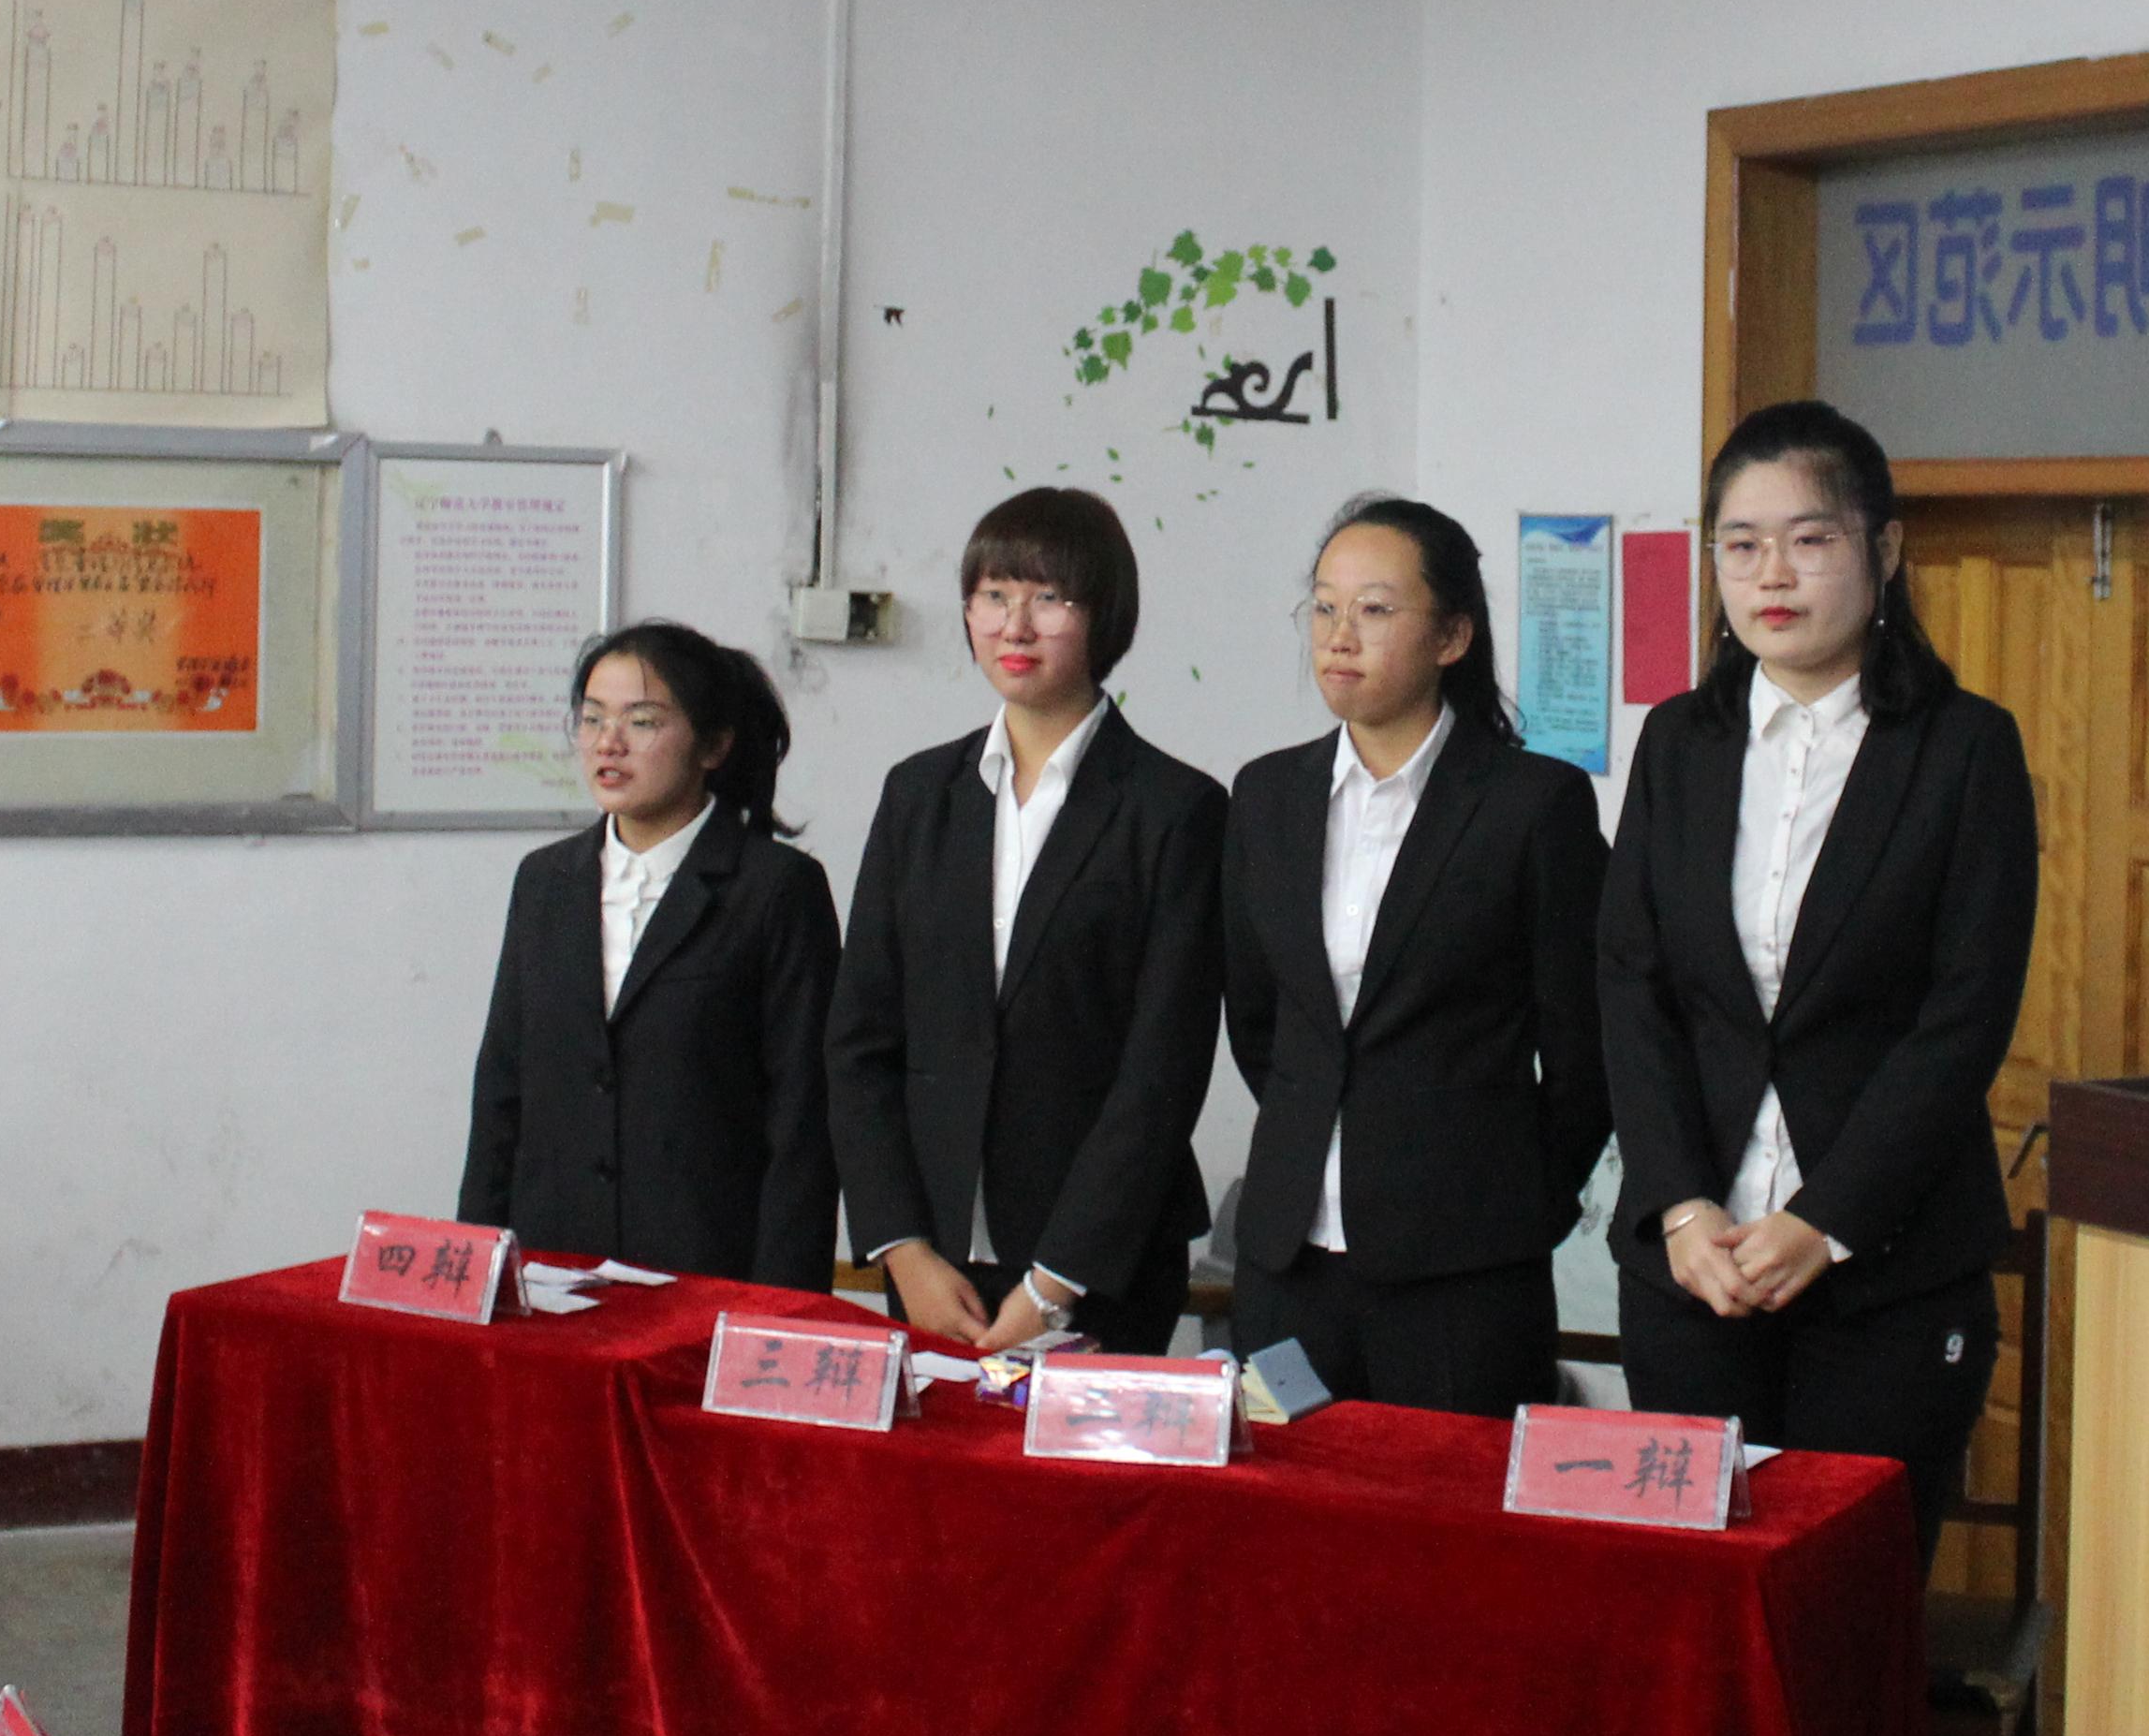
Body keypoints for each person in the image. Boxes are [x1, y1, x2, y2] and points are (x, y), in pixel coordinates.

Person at [1598, 399, 2038, 1555]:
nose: (1771, 574)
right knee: (1693, 1601)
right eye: (1740, 545)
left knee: (1848, 1598)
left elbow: (1964, 1014)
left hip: (1886, 1276)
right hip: (1694, 1271)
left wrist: (1825, 1220)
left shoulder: (1963, 749)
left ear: (1883, 550)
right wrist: (1680, 1206)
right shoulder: (1677, 743)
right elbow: (1632, 987)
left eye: (1809, 539)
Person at [1221, 497, 1609, 1416]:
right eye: (1324, 606)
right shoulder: (1266, 795)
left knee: (1448, 1503)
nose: (1339, 634)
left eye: (1374, 608)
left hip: (1463, 1268)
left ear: (1452, 636)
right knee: (1284, 1493)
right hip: (1286, 1260)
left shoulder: (1532, 804)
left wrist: (1518, 1204)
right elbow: (1259, 1020)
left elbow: (1588, 1049)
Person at [828, 489, 1225, 1355]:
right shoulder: (918, 795)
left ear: (1104, 614)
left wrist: (1053, 1285)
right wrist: (902, 1249)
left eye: (1050, 597)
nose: (1015, 624)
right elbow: (859, 1041)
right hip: (931, 1263)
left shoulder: (1176, 809)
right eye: (993, 594)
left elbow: (1162, 1070)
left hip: (1100, 1267)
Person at [458, 621, 840, 1287]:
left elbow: (804, 1123)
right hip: (553, 1271)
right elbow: (502, 1090)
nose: (609, 743)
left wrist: (778, 1308)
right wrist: (475, 1269)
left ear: (714, 744)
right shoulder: (546, 881)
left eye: (641, 721)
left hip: (707, 1272)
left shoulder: (777, 889)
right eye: (593, 718)